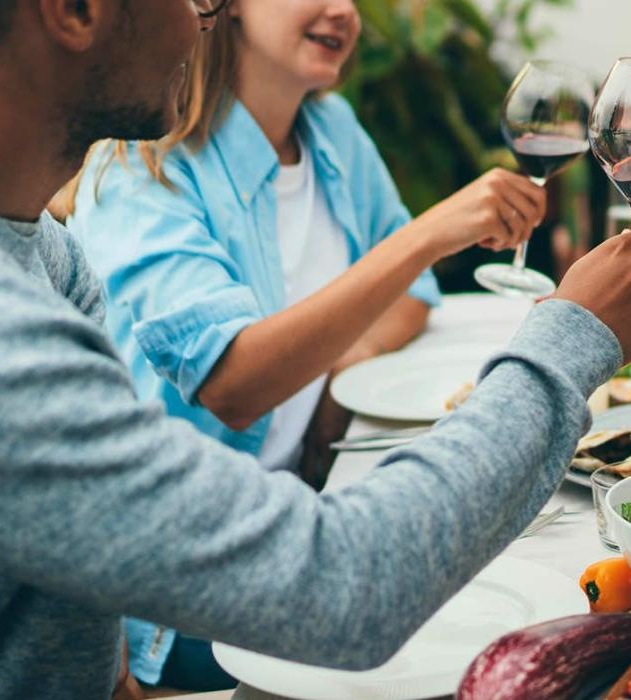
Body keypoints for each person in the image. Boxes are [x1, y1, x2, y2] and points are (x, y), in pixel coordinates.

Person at [0, 1, 631, 697]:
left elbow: (68, 600)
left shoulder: (32, 245)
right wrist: (570, 340)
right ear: (76, 10)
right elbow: (342, 585)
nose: (203, 20)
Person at [55, 0, 547, 685]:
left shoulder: (329, 129)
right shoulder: (144, 168)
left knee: (520, 593)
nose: (341, 9)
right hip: (188, 585)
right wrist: (427, 235)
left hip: (302, 516)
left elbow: (411, 299)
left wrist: (345, 363)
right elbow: (234, 385)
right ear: (223, 8)